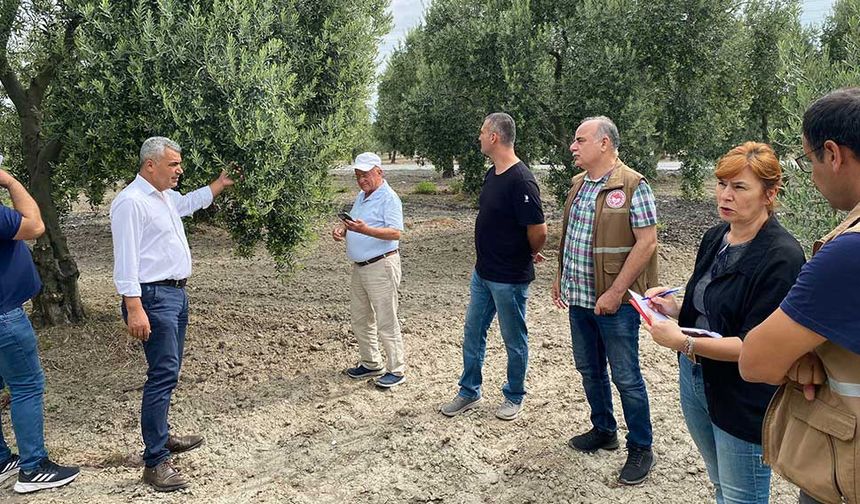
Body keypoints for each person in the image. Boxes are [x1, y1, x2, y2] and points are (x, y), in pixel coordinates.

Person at [644, 142, 804, 503]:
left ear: (769, 194)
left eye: (739, 187)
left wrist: (683, 342)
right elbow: (712, 309)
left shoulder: (782, 257)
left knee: (741, 496)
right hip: (696, 378)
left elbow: (756, 346)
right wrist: (673, 308)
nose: (725, 195)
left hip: (742, 392)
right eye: (721, 184)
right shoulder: (716, 237)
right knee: (720, 483)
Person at [740, 88, 860, 504]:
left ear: (833, 153)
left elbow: (756, 359)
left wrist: (797, 358)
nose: (812, 175)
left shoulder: (850, 252)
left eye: (810, 160)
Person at [110, 137, 234, 492]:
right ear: (150, 165)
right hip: (152, 298)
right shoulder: (131, 203)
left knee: (169, 372)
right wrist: (134, 307)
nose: (180, 170)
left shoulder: (164, 197)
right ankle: (154, 462)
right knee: (161, 376)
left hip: (175, 295)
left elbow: (191, 202)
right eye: (174, 165)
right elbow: (126, 261)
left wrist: (218, 185)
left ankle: (162, 438)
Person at [552, 116, 658, 485]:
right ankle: (604, 430)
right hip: (579, 299)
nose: (573, 147)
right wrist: (559, 276)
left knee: (626, 377)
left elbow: (647, 243)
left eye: (580, 140)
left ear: (604, 144)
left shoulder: (633, 185)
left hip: (615, 303)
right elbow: (571, 237)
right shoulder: (578, 185)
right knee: (589, 369)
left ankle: (642, 447)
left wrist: (615, 293)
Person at [440, 112, 547, 421]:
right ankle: (469, 391)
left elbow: (539, 231)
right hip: (483, 274)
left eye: (482, 132)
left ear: (494, 137)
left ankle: (514, 395)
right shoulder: (492, 174)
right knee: (473, 332)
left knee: (514, 339)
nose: (479, 138)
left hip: (509, 279)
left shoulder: (521, 180)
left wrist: (526, 253)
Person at [0, 164, 80, 494]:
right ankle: (34, 468)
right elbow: (35, 225)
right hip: (5, 317)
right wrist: (10, 180)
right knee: (27, 385)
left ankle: (1, 459)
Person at [332, 152, 406, 388]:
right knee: (361, 318)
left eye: (365, 174)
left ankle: (397, 369)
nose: (361, 180)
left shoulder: (389, 198)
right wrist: (343, 230)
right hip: (361, 266)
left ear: (379, 172)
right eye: (357, 175)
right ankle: (371, 362)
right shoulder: (362, 196)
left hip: (381, 265)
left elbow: (396, 233)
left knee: (386, 318)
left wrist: (365, 231)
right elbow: (353, 220)